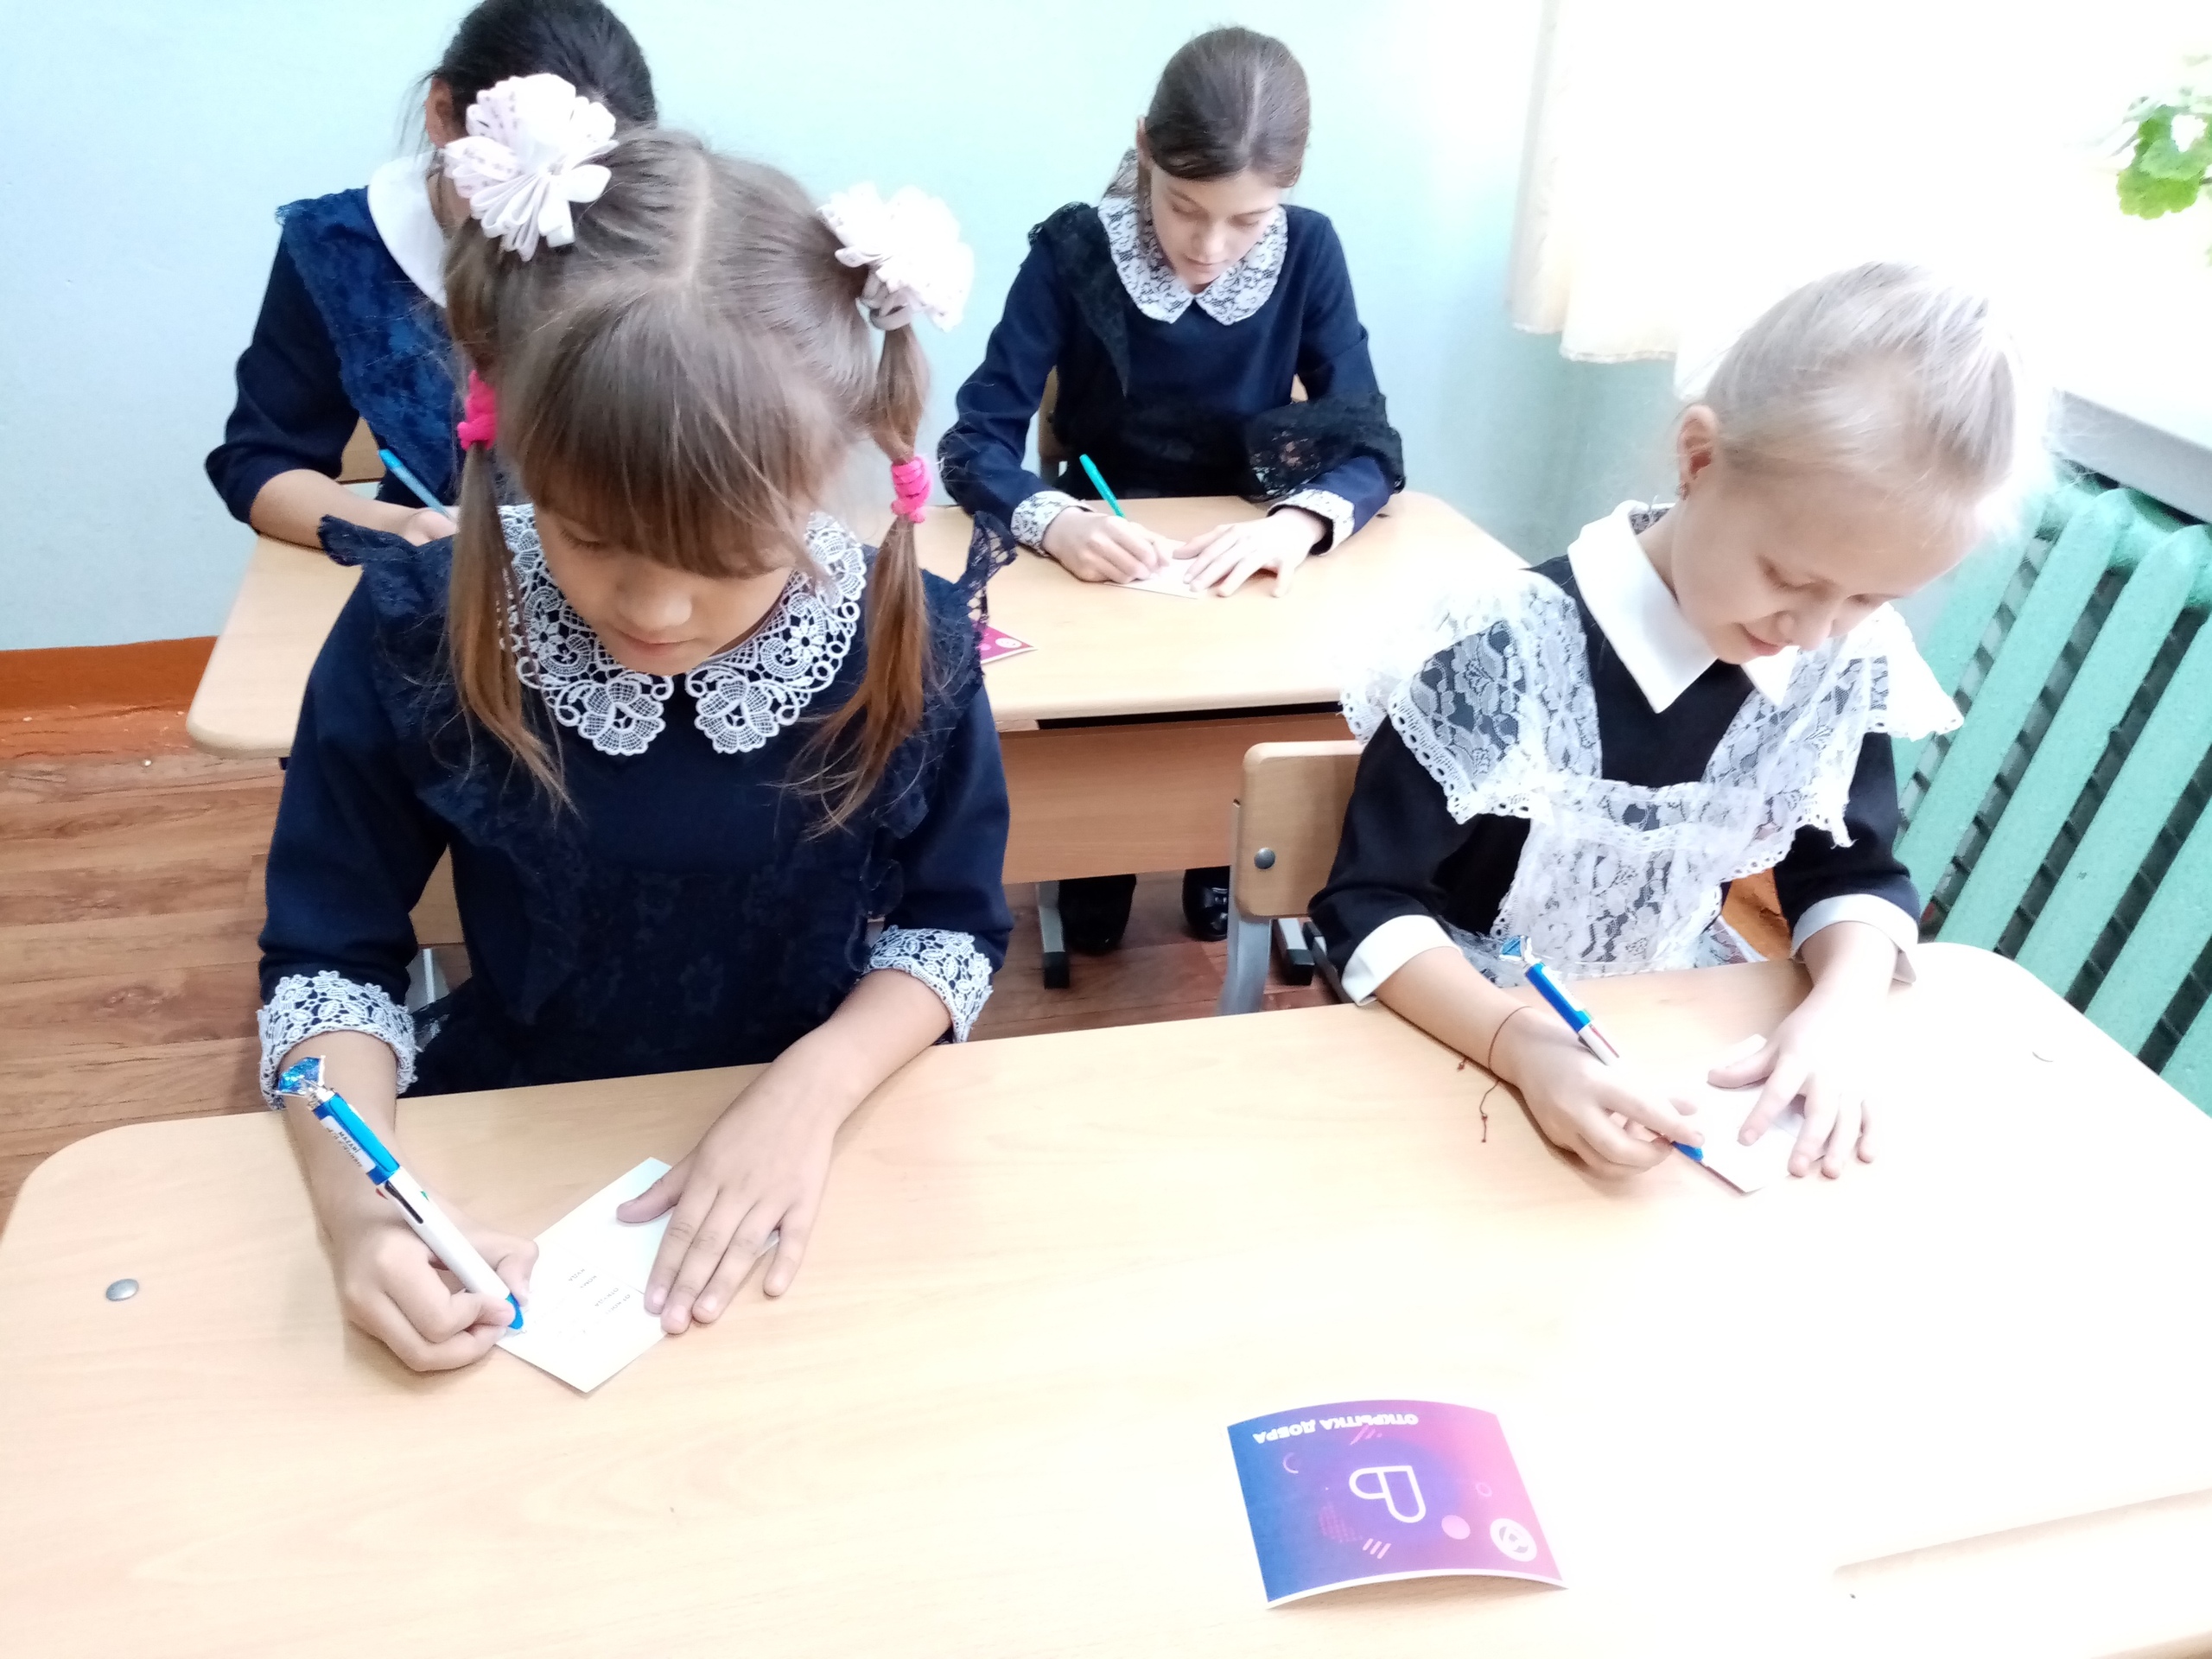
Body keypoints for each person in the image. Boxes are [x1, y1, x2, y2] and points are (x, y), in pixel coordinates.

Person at [257, 88, 1008, 1373]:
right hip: (517, 1146)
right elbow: (329, 958)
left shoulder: (914, 638)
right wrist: (361, 1214)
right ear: (507, 443)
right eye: (590, 537)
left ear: (827, 476)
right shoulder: (417, 627)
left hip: (829, 1147)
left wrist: (813, 1088)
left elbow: (952, 929)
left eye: (728, 558)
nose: (655, 611)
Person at [1313, 264, 2033, 1182]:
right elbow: (1368, 903)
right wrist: (1523, 1048)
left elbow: (1851, 870)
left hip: (1674, 1037)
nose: (1812, 632)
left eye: (1868, 599)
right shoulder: (1499, 646)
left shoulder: (1840, 661)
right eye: (1790, 578)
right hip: (1458, 1040)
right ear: (1699, 461)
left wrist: (1839, 1009)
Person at [938, 24, 1403, 949]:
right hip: (1102, 551)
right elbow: (974, 442)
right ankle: (1095, 856)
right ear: (1144, 146)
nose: (1210, 247)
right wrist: (1053, 521)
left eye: (1248, 220)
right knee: (1097, 778)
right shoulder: (1075, 251)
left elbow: (1373, 447)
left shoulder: (1309, 250)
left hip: (1241, 559)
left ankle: (1214, 855)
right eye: (1186, 207)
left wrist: (1294, 526)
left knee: (1244, 723)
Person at [205, 0, 656, 550]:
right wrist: (401, 526)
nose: (538, 223)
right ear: (442, 113)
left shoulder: (665, 239)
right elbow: (261, 460)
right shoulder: (342, 248)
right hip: (440, 565)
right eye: (508, 184)